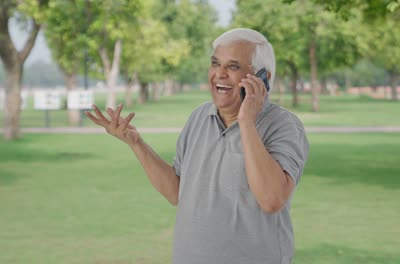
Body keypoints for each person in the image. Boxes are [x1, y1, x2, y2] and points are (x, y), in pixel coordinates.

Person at [86, 28, 309, 264]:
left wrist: (246, 121)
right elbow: (176, 192)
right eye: (215, 64)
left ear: (264, 77)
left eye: (233, 67)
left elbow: (271, 199)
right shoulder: (199, 117)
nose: (219, 74)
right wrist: (136, 143)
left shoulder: (284, 126)